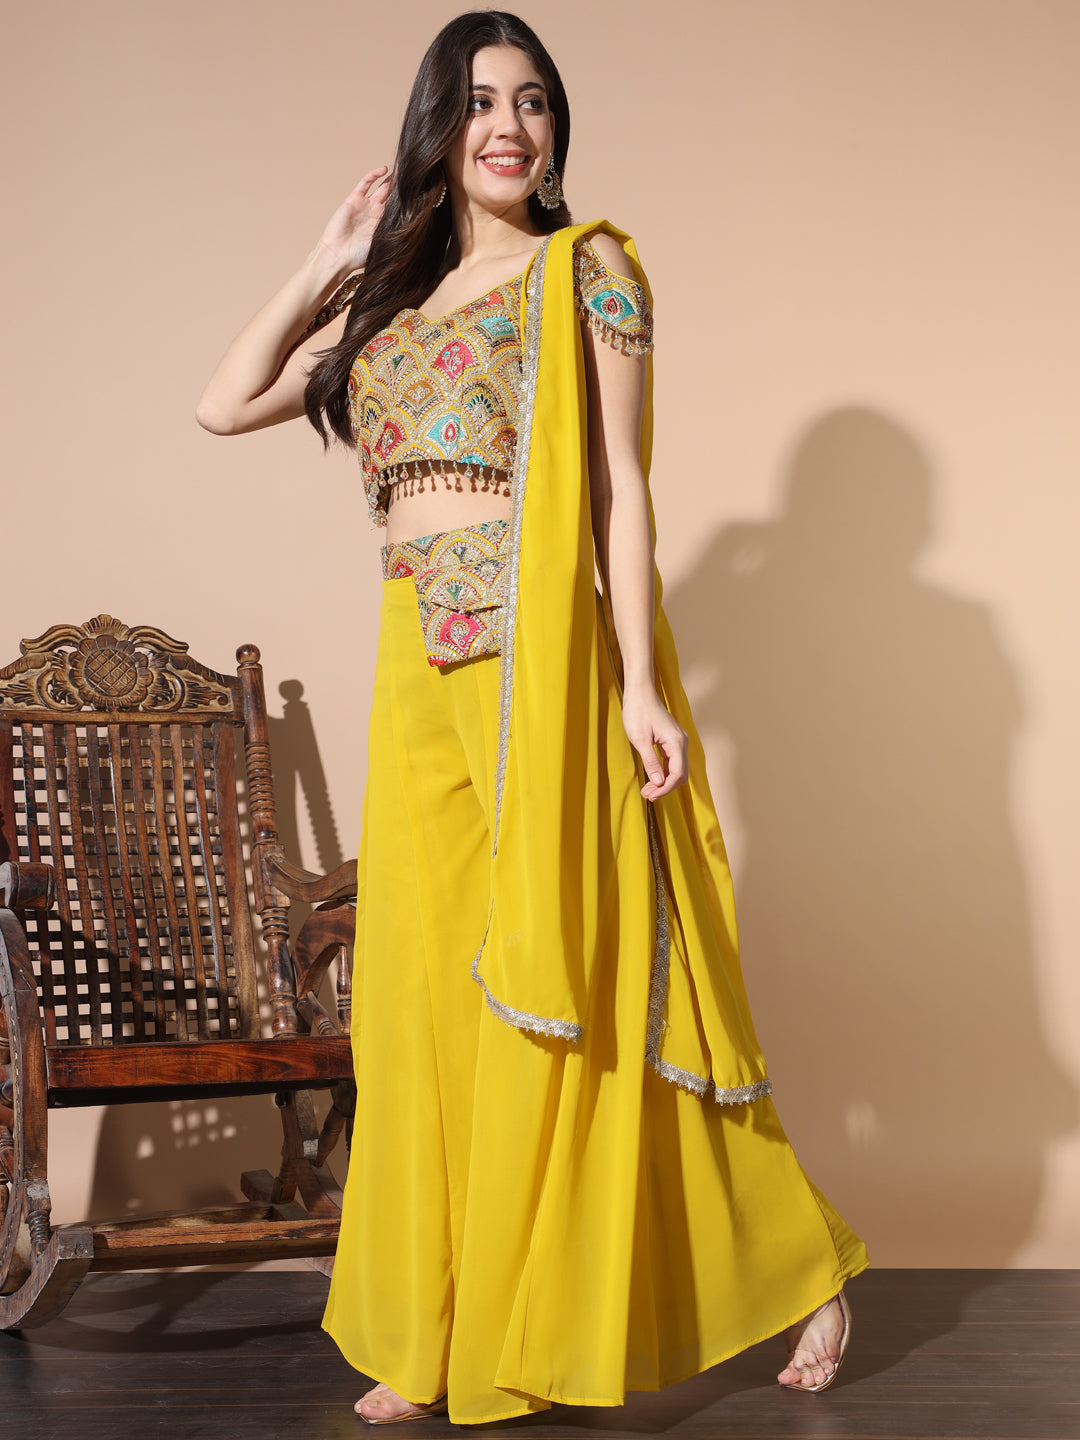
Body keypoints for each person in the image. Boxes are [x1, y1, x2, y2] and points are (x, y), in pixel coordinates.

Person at [197, 10, 869, 1426]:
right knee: (427, 997)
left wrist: (638, 685)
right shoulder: (387, 306)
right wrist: (326, 260)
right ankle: (435, 1327)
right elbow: (224, 404)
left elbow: (619, 490)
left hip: (535, 654)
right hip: (411, 657)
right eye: (480, 101)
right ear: (436, 127)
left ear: (557, 128)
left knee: (577, 978)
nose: (508, 126)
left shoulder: (588, 272)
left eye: (533, 101)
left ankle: (796, 1268)